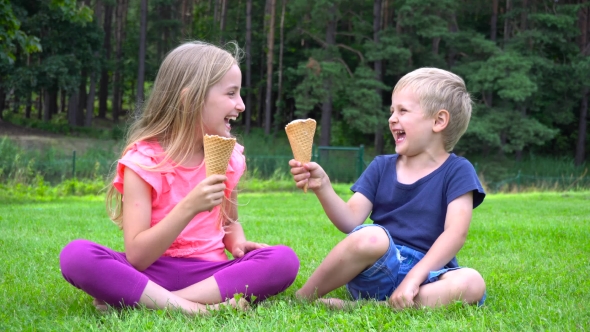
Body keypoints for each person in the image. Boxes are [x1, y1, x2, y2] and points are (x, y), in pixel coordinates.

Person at [60, 41, 299, 315]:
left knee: (283, 260)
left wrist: (238, 243)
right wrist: (189, 206)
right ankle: (197, 310)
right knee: (76, 256)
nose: (241, 105)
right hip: (151, 272)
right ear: (190, 99)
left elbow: (229, 221)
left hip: (210, 276)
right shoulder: (144, 162)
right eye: (231, 93)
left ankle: (153, 302)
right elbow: (137, 257)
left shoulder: (229, 159)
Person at [289, 67, 486, 310]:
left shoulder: (458, 170)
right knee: (372, 235)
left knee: (473, 282)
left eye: (403, 110)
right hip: (378, 266)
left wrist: (414, 278)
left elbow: (455, 234)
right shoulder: (381, 166)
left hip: (428, 273)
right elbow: (350, 221)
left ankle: (373, 307)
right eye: (392, 110)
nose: (392, 118)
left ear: (439, 121)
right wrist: (323, 186)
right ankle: (303, 297)